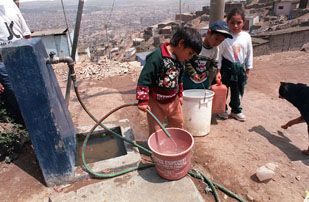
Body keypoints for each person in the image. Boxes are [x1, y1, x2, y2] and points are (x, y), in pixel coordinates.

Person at [136, 27, 202, 135]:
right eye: (190, 53)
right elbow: (144, 78)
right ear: (181, 44)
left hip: (173, 100)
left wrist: (180, 95)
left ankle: (174, 146)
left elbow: (179, 79)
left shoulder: (180, 60)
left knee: (178, 123)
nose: (189, 57)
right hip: (156, 102)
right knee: (156, 130)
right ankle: (158, 150)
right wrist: (142, 100)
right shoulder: (157, 57)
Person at [217, 8, 253, 122]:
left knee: (237, 90)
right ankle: (222, 109)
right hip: (226, 68)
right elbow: (219, 55)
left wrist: (247, 70)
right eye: (232, 22)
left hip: (239, 68)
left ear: (244, 22)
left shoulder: (246, 37)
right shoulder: (224, 38)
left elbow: (249, 53)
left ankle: (236, 110)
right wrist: (218, 71)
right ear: (227, 22)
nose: (236, 26)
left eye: (239, 22)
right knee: (224, 90)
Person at [0, 0, 31, 123]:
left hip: (21, 56)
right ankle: (26, 129)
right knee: (16, 98)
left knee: (32, 92)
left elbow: (26, 34)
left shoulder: (10, 4)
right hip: (3, 62)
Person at [182, 20, 233, 90]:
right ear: (208, 32)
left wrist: (206, 73)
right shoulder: (196, 45)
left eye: (221, 41)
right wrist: (193, 73)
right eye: (216, 39)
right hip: (189, 80)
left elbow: (214, 65)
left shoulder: (216, 50)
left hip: (204, 81)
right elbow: (187, 61)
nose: (217, 42)